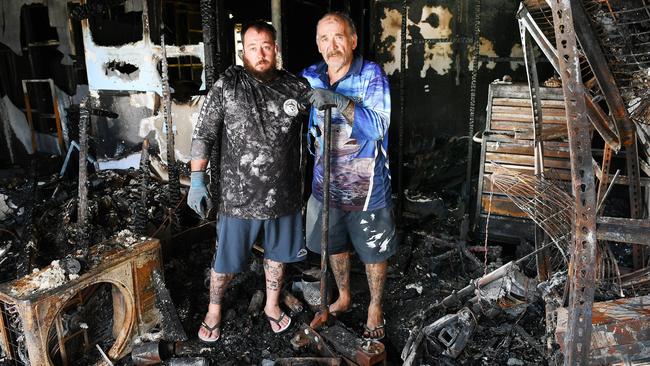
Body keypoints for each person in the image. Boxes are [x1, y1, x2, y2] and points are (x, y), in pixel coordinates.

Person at [187, 20, 310, 342]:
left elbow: (322, 124)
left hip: (285, 197)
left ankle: (271, 305)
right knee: (224, 262)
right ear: (243, 52)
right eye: (253, 47)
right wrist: (197, 179)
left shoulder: (296, 87)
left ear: (276, 49)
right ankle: (214, 309)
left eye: (266, 46)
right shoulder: (228, 85)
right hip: (238, 197)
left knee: (277, 259)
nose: (261, 53)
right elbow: (203, 134)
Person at [301, 12, 396, 341]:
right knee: (335, 245)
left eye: (339, 37)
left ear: (353, 40)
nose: (332, 45)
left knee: (373, 250)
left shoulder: (371, 75)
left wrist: (339, 101)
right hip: (325, 185)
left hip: (366, 186)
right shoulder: (311, 75)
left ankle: (375, 306)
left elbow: (379, 126)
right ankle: (344, 295)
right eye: (324, 39)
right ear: (317, 44)